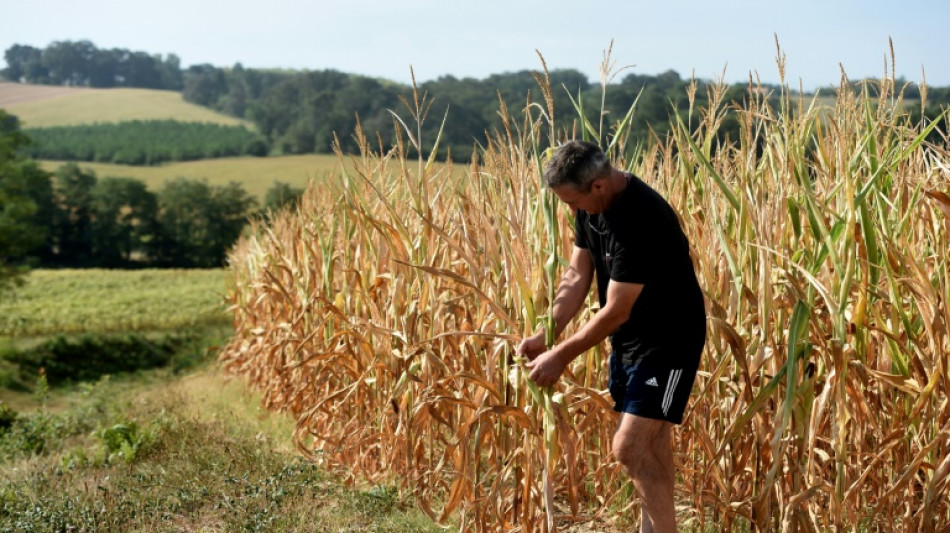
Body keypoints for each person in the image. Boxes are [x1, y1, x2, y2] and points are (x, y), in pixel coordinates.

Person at [517, 140, 706, 533]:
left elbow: (617, 309)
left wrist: (560, 356)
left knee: (629, 447)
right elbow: (576, 275)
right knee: (651, 448)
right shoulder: (592, 207)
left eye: (572, 202)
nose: (571, 210)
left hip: (668, 342)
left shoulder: (639, 219)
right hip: (629, 342)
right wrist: (546, 332)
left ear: (598, 186)